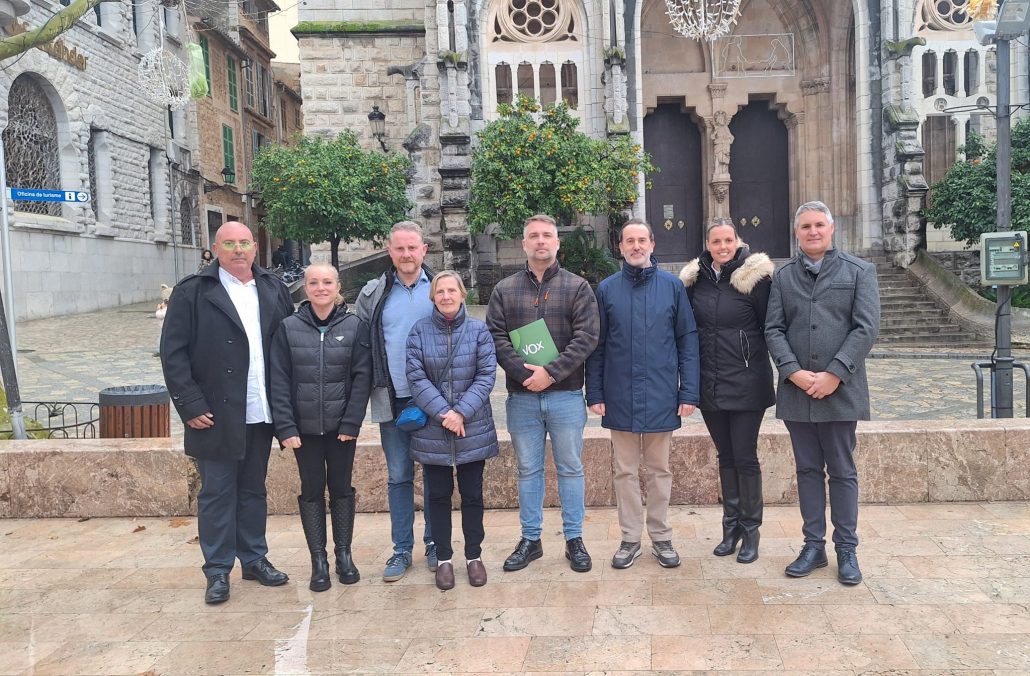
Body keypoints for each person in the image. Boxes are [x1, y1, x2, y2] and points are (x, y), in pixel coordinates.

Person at [161, 221, 294, 604]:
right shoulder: (193, 291)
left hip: (260, 409)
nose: (238, 250)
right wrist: (190, 404)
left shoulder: (273, 287)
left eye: (244, 243)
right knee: (217, 492)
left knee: (253, 490)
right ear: (216, 249)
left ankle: (254, 558)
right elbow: (173, 353)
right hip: (214, 413)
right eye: (230, 243)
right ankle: (218, 570)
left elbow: (288, 344)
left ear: (254, 248)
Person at [765, 201, 880, 585]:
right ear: (796, 232)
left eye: (818, 225)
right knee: (807, 470)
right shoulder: (783, 277)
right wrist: (793, 372)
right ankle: (813, 546)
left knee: (842, 471)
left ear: (831, 229)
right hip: (798, 392)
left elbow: (866, 328)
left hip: (840, 391)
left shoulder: (859, 271)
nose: (812, 231)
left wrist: (835, 373)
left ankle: (846, 549)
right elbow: (773, 329)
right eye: (805, 226)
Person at [486, 214, 600, 573]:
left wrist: (550, 373)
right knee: (527, 470)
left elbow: (586, 337)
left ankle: (574, 539)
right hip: (522, 398)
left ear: (557, 242)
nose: (540, 241)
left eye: (547, 235)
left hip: (566, 395)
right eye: (533, 236)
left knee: (571, 468)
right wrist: (526, 375)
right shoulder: (504, 290)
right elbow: (495, 337)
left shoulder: (577, 287)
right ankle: (530, 539)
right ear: (524, 244)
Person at [586, 219, 699, 569]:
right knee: (624, 471)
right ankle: (630, 538)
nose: (636, 246)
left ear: (652, 244)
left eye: (642, 240)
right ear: (620, 247)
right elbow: (597, 346)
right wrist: (595, 392)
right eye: (629, 241)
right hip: (619, 395)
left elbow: (687, 341)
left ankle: (661, 537)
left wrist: (688, 392)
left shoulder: (672, 287)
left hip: (662, 394)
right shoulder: (607, 289)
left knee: (659, 470)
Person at [269, 264, 372, 591]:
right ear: (306, 287)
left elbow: (362, 377)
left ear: (337, 286)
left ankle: (344, 554)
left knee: (341, 489)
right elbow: (279, 380)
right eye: (314, 282)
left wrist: (352, 421)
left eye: (327, 282)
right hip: (304, 430)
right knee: (312, 491)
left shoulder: (355, 326)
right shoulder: (288, 327)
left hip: (342, 428)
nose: (321, 288)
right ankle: (318, 560)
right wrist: (286, 427)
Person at [680, 219, 775, 564]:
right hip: (710, 382)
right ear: (707, 244)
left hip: (748, 382)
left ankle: (751, 531)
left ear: (737, 241)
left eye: (728, 240)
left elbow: (770, 327)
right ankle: (730, 527)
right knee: (725, 456)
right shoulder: (695, 281)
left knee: (745, 456)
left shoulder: (756, 279)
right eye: (716, 241)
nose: (722, 247)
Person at [354, 221, 436, 581]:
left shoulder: (440, 288)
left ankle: (435, 543)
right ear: (390, 251)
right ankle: (402, 549)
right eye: (399, 248)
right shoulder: (373, 294)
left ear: (423, 250)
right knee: (399, 475)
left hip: (434, 400)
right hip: (393, 398)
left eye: (412, 248)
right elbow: (359, 345)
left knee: (434, 474)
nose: (406, 254)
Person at [406, 271, 498, 590]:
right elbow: (416, 378)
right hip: (434, 428)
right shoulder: (419, 332)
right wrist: (445, 413)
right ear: (433, 297)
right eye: (440, 291)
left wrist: (460, 412)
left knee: (473, 495)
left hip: (471, 426)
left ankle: (474, 556)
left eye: (452, 290)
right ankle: (443, 558)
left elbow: (486, 375)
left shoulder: (478, 330)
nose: (446, 296)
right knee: (438, 496)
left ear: (462, 294)